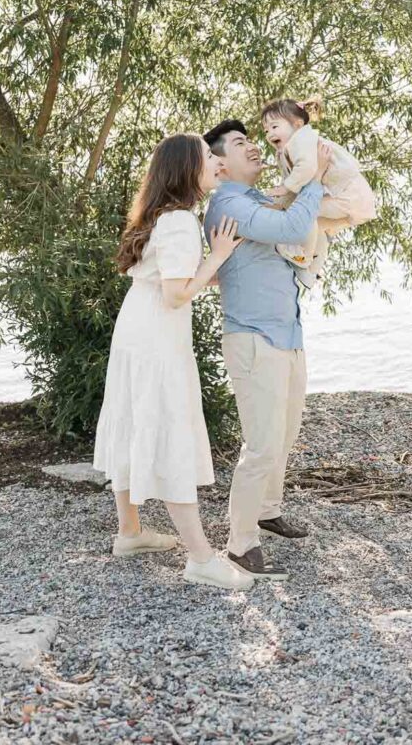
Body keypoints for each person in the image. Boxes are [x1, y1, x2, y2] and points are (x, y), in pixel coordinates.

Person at [93, 133, 254, 591]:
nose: (217, 163)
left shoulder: (159, 216)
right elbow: (176, 293)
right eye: (209, 157)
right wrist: (218, 258)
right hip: (158, 338)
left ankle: (130, 531)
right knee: (169, 429)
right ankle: (201, 557)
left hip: (135, 331)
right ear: (188, 168)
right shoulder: (181, 221)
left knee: (133, 420)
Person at [203, 120, 332, 581]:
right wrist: (314, 177)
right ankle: (240, 544)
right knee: (260, 445)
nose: (253, 147)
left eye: (251, 140)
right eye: (240, 144)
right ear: (220, 163)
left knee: (286, 432)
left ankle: (267, 510)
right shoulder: (229, 205)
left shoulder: (258, 197)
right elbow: (296, 228)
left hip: (287, 334)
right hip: (254, 338)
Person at [262, 96, 376, 284]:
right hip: (347, 196)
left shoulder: (301, 140)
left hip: (348, 194)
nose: (269, 133)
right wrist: (280, 199)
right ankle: (312, 270)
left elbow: (306, 169)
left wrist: (284, 189)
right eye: (266, 130)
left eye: (274, 127)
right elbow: (297, 184)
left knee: (308, 214)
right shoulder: (288, 149)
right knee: (317, 228)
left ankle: (303, 256)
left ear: (297, 125)